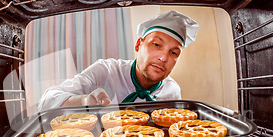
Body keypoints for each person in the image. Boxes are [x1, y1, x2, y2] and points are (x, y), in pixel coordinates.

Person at [38, 10, 199, 110]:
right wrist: (84, 100)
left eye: (174, 53)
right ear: (138, 44)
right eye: (156, 44)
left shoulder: (173, 91)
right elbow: (47, 101)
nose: (163, 57)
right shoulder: (105, 71)